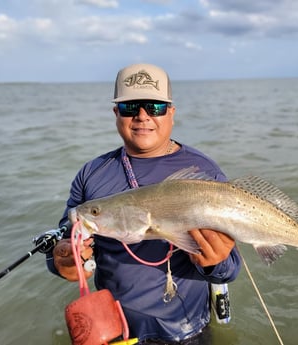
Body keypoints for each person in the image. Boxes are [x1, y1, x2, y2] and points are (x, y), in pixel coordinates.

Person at [47, 63, 241, 344]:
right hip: (116, 330)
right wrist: (66, 262)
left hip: (186, 330)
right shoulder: (91, 174)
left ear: (171, 112)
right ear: (116, 113)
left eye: (155, 107)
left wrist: (216, 262)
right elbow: (68, 245)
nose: (142, 116)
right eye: (130, 107)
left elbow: (230, 268)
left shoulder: (203, 171)